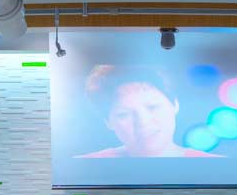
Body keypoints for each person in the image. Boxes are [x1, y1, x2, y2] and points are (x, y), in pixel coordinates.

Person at [75, 65, 221, 159]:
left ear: (174, 105)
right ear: (108, 122)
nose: (143, 122)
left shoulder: (216, 165)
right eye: (124, 114)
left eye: (152, 107)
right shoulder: (86, 164)